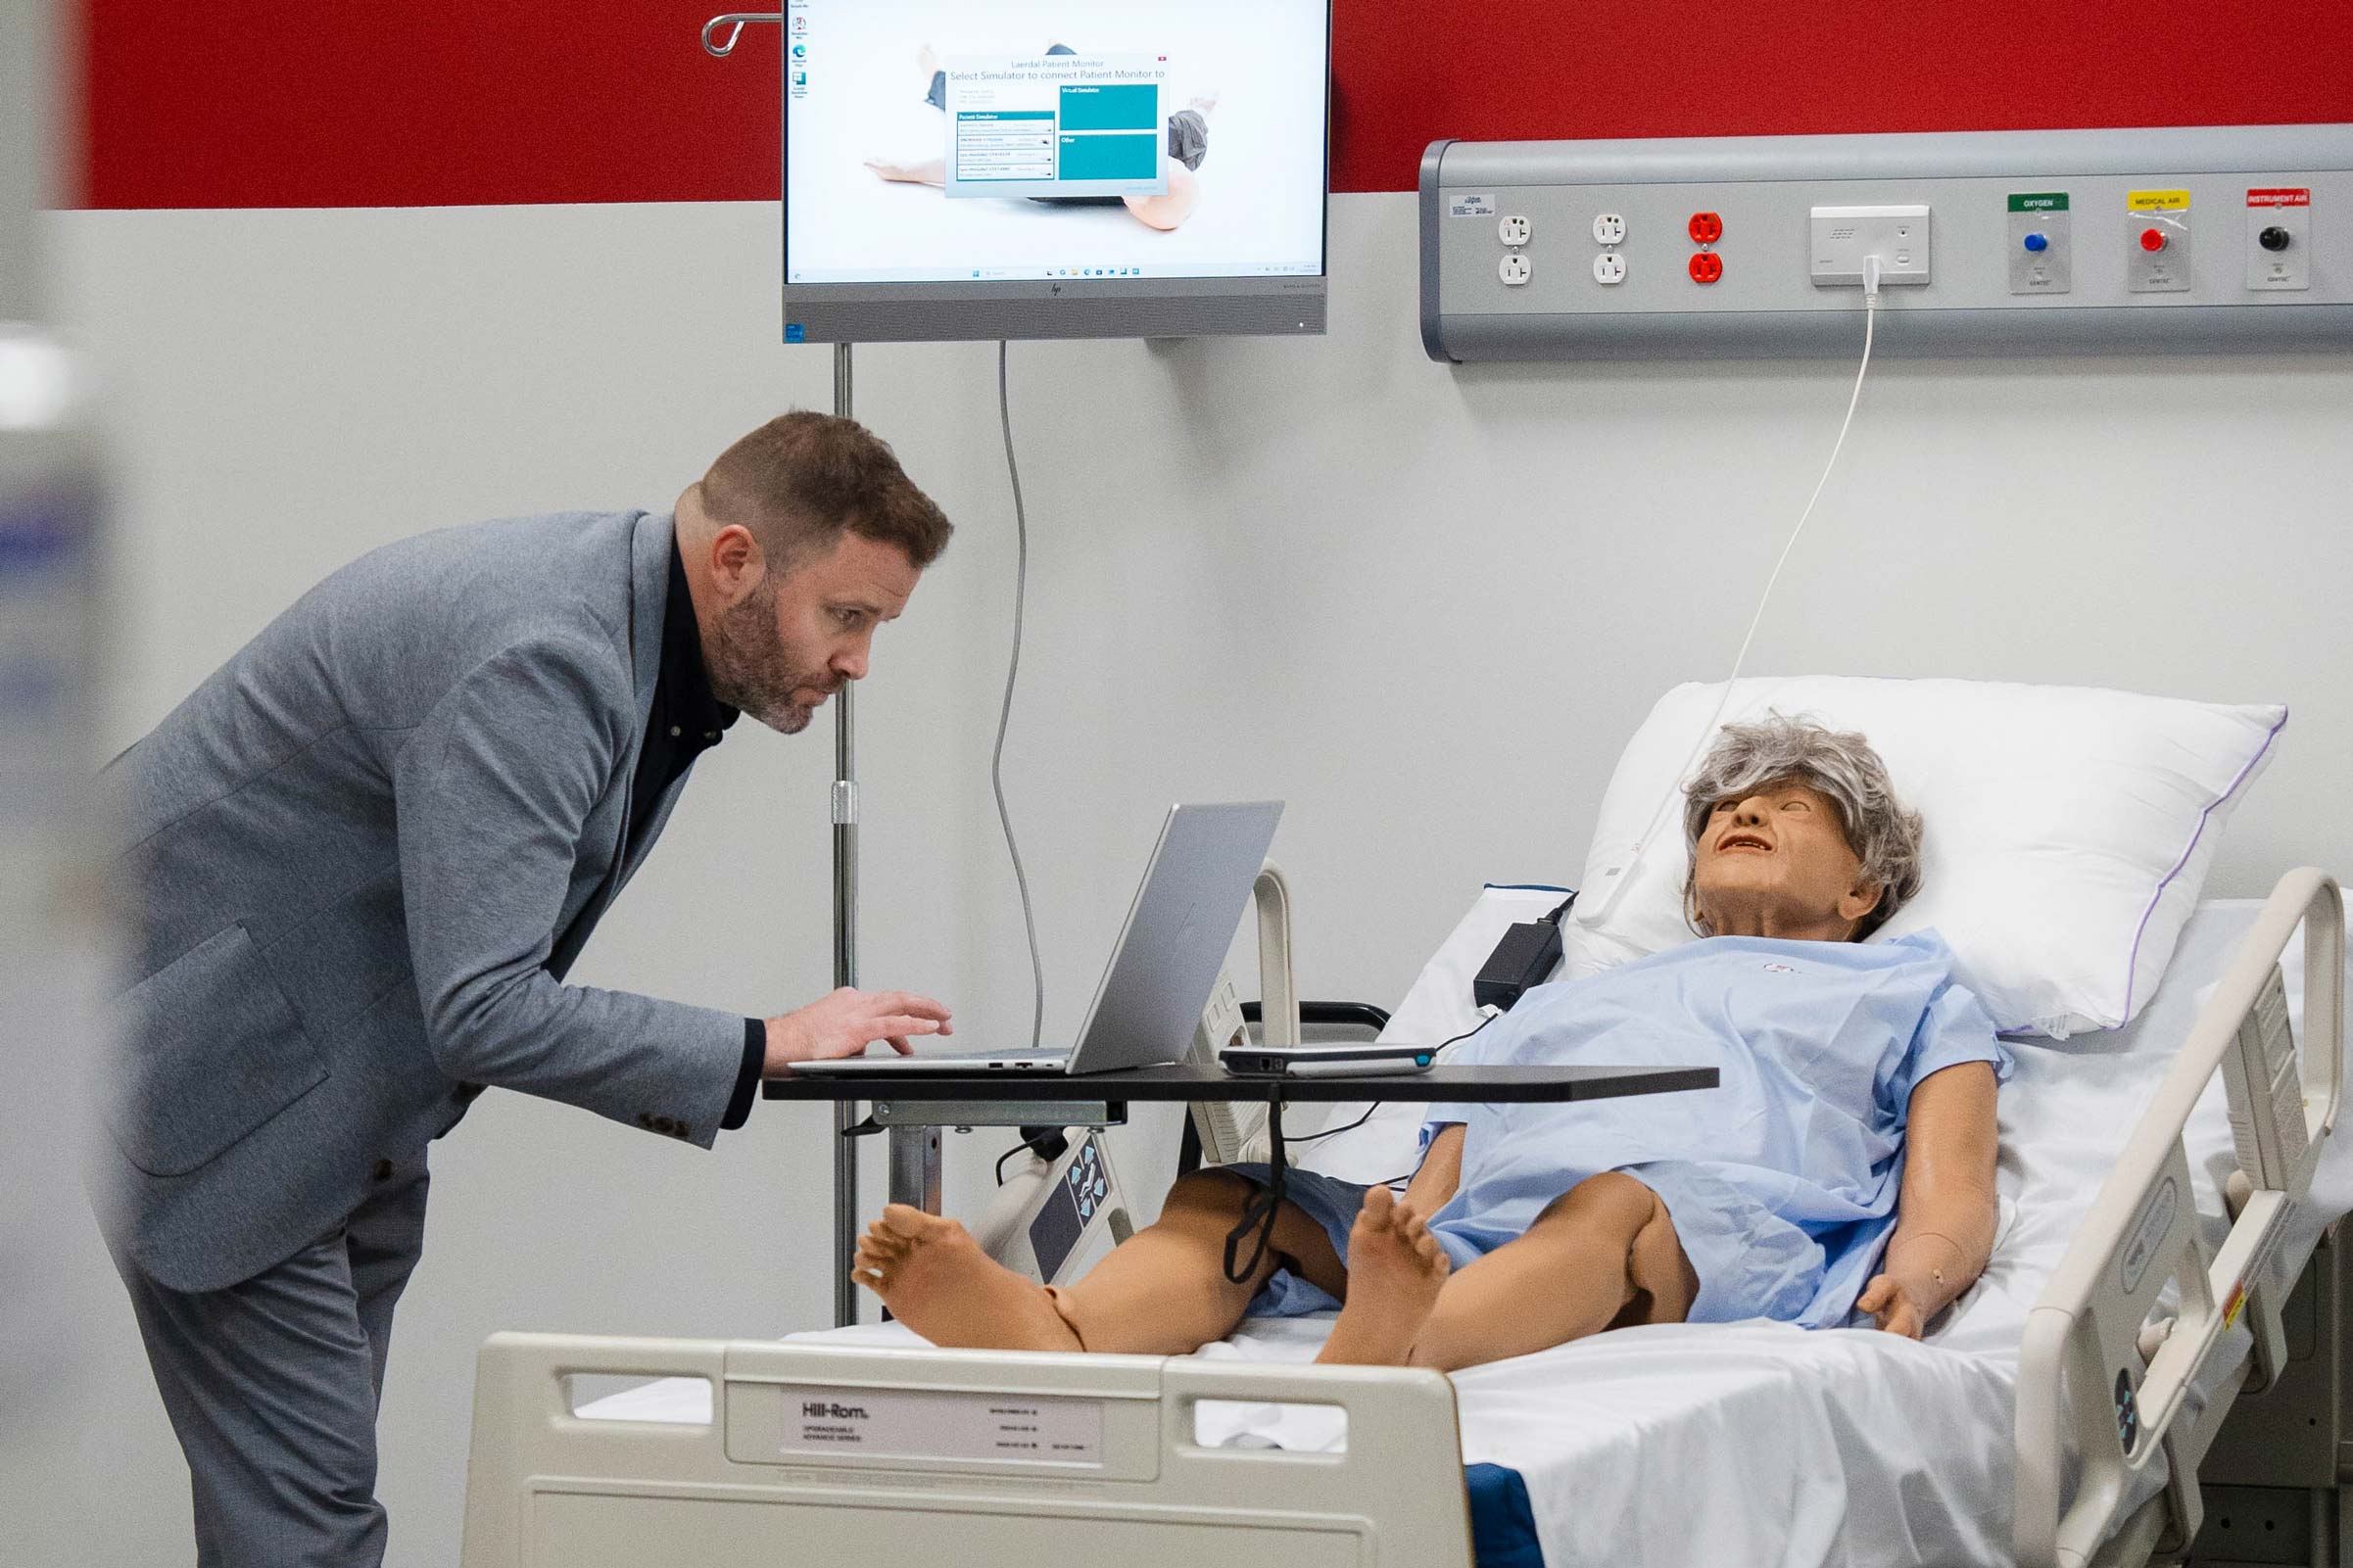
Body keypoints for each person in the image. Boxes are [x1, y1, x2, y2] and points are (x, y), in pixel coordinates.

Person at [91, 410, 956, 1564]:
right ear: (735, 560)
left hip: (330, 1094)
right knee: (307, 1529)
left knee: (299, 1517)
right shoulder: (545, 655)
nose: (857, 662)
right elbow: (487, 1006)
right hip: (217, 1081)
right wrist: (765, 1042)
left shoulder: (641, 632)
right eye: (845, 615)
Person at [855, 715, 2010, 1368]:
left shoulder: (1908, 984)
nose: (1744, 811)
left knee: (1607, 1202)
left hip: (1709, 1223)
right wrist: (1399, 1231)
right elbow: (1443, 1180)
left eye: (1790, 805)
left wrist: (1915, 1281)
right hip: (1486, 1236)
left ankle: (1394, 1351)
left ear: (1862, 887)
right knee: (1238, 1193)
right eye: (1724, 811)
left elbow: (1951, 1184)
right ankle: (1061, 1333)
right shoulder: (1563, 995)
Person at [865, 43, 1218, 231]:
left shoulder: (1051, 178)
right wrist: (1201, 107)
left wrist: (907, 171)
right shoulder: (1180, 143)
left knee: (967, 104)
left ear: (1130, 201)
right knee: (1061, 56)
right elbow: (1194, 122)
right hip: (1089, 100)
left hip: (1048, 120)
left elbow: (970, 166)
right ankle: (1055, 51)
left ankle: (934, 74)